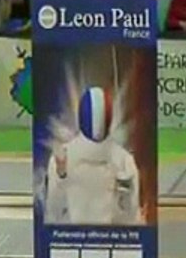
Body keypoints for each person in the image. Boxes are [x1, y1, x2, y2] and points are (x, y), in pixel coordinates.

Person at [43, 80, 141, 225]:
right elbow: (132, 217)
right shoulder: (124, 160)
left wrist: (61, 177)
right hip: (108, 236)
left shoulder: (62, 158)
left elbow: (53, 214)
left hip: (75, 236)